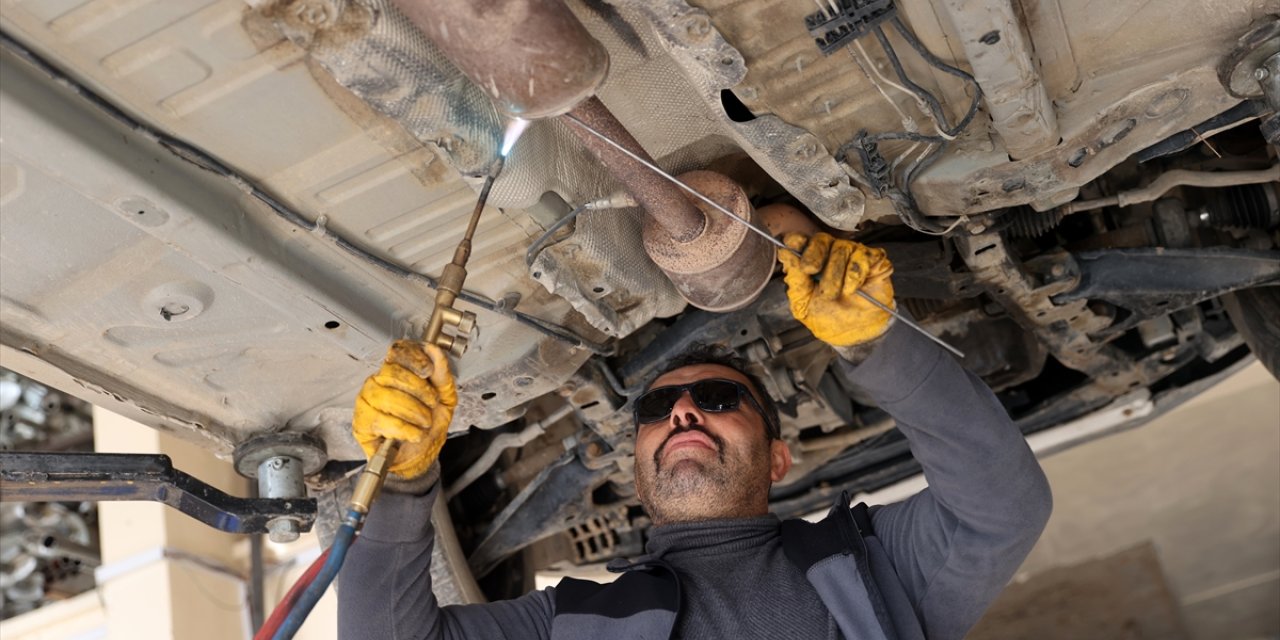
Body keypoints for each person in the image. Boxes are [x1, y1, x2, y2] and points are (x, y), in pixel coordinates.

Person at [341, 232, 1053, 640]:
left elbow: (1002, 508)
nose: (682, 413)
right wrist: (404, 484)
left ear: (780, 457)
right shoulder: (567, 620)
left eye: (716, 398)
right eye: (657, 409)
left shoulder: (874, 567)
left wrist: (880, 346)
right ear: (636, 470)